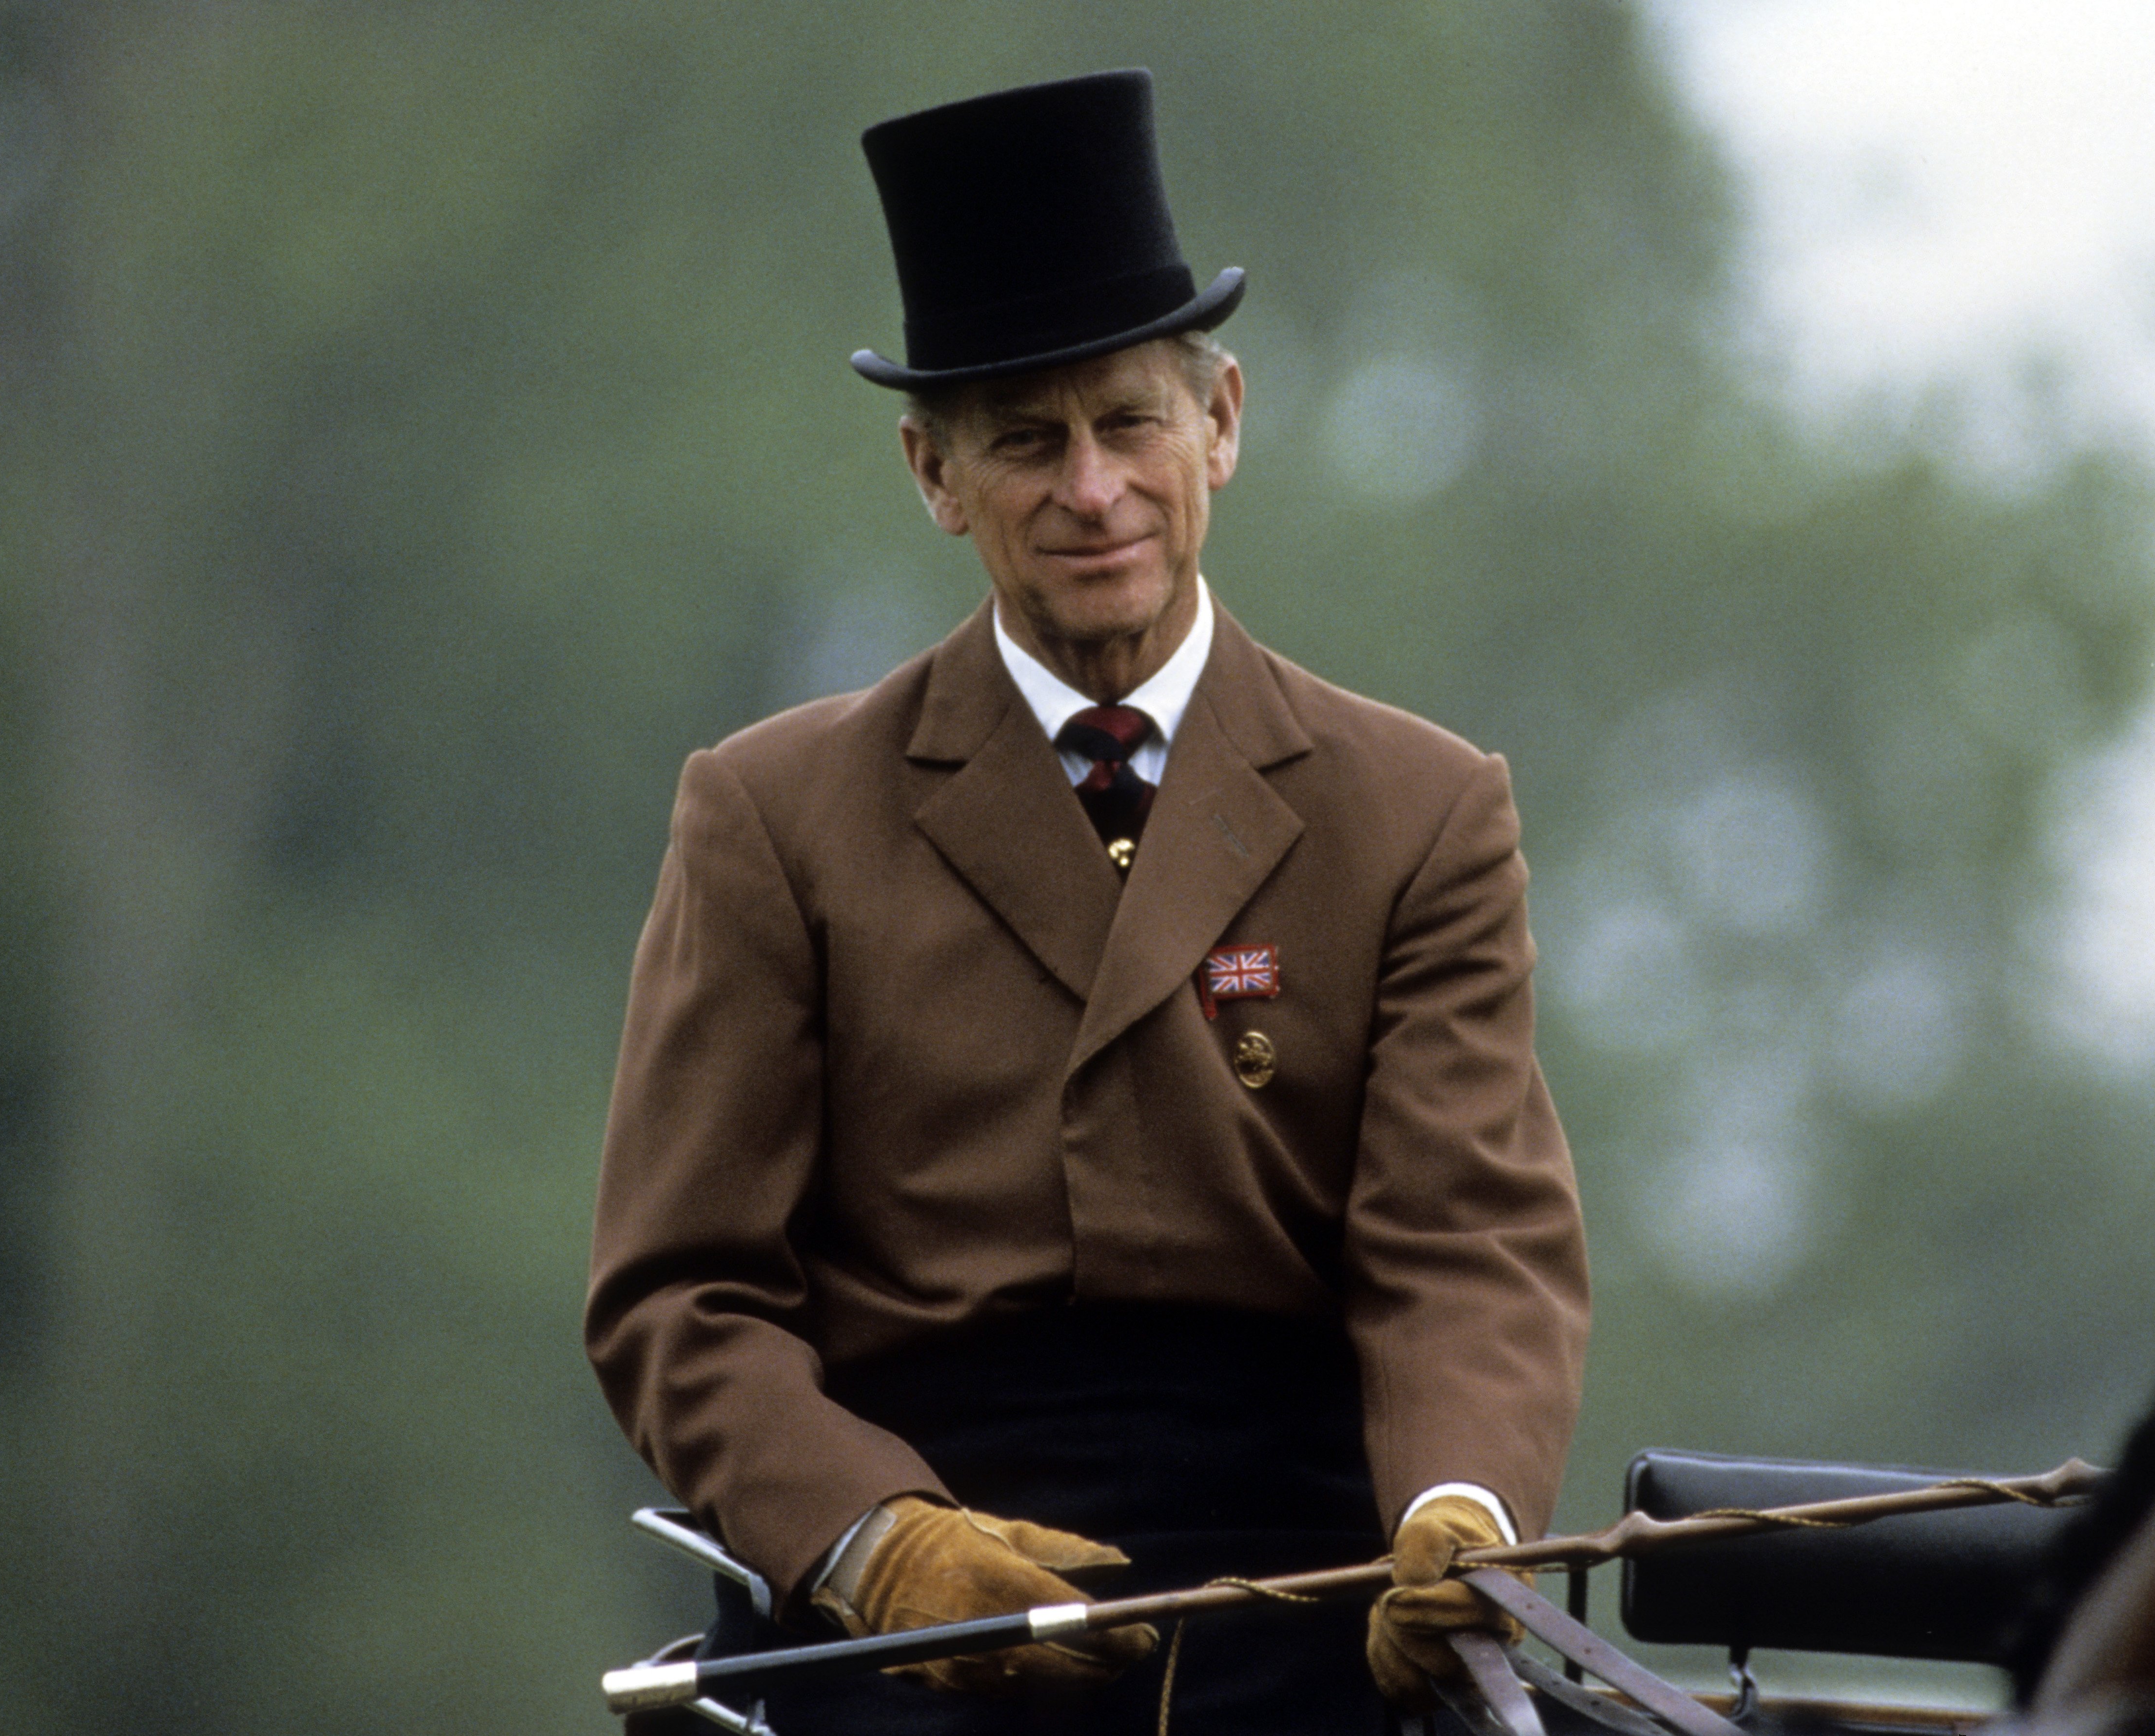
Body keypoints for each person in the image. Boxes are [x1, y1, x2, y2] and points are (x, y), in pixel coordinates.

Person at [586, 69, 1590, 1734]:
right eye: (1025, 441)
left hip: (1316, 1595)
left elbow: (1465, 1249)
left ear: (1224, 423)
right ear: (932, 471)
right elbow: (683, 1294)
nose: (1093, 490)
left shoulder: (1419, 812)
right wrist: (875, 1544)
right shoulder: (769, 817)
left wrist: (1459, 1527)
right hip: (904, 1618)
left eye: (1128, 421)